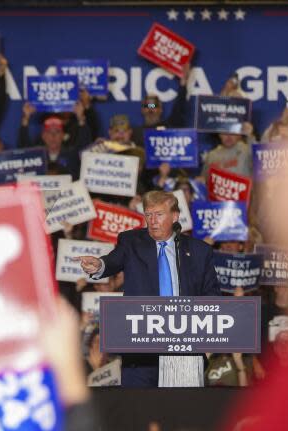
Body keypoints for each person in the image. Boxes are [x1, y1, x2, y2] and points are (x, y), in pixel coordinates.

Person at [74, 190, 220, 388]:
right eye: (148, 215)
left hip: (184, 350)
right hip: (140, 350)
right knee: (139, 413)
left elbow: (212, 297)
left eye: (158, 215)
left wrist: (207, 343)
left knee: (183, 414)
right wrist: (99, 265)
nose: (152, 221)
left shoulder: (199, 251)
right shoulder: (131, 242)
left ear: (175, 216)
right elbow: (113, 261)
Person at [130, 65, 191, 147]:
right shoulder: (135, 133)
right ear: (142, 110)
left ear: (161, 109)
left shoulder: (170, 126)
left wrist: (183, 84)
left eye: (154, 105)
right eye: (147, 106)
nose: (150, 109)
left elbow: (179, 109)